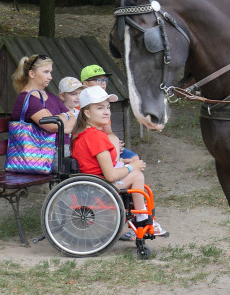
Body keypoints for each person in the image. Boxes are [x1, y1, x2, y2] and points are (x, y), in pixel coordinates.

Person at [71, 86, 167, 239]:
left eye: (108, 107)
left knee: (133, 172)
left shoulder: (82, 134)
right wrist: (131, 166)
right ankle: (141, 219)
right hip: (101, 188)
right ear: (87, 112)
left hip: (91, 183)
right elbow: (110, 176)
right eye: (100, 108)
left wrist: (122, 161)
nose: (106, 111)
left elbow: (94, 162)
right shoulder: (96, 137)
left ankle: (139, 214)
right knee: (137, 176)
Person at [11, 54, 77, 144]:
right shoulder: (27, 99)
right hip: (42, 153)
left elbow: (73, 118)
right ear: (32, 74)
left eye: (50, 72)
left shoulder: (50, 95)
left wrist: (60, 125)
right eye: (46, 72)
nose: (50, 77)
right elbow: (53, 125)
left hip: (61, 149)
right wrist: (65, 116)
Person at [81, 63, 136, 161]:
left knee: (135, 158)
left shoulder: (104, 101)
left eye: (105, 80)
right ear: (85, 84)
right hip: (93, 145)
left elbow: (108, 132)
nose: (103, 83)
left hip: (105, 142)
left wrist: (115, 143)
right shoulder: (81, 104)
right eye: (98, 80)